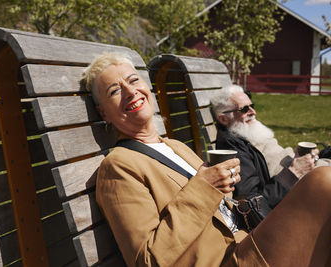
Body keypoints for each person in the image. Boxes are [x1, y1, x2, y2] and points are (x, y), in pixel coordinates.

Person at [83, 52, 331, 267]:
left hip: (247, 240)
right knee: (323, 181)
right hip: (227, 260)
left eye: (133, 80)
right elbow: (147, 260)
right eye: (114, 90)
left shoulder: (175, 146)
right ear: (103, 111)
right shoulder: (118, 167)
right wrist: (204, 188)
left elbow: (217, 205)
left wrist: (224, 188)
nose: (130, 91)